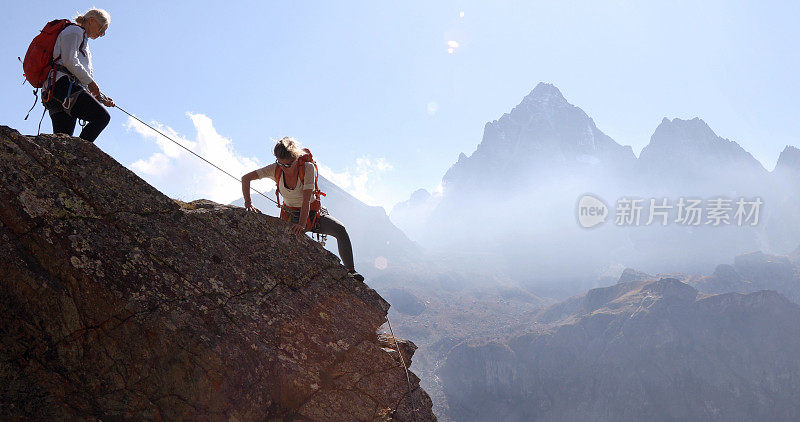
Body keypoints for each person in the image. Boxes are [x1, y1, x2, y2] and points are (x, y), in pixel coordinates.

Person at [241, 137, 365, 282]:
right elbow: (245, 178)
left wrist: (301, 224)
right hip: (290, 214)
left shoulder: (307, 168)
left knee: (340, 229)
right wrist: (248, 203)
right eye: (279, 163)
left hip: (312, 214)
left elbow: (306, 199)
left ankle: (351, 271)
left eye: (287, 165)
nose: (282, 167)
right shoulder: (275, 169)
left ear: (296, 159)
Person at [43, 8, 115, 142]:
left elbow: (79, 74)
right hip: (63, 86)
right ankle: (79, 152)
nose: (102, 34)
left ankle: (68, 158)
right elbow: (70, 60)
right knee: (101, 118)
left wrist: (100, 97)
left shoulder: (81, 38)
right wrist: (91, 83)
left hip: (56, 89)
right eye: (102, 29)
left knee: (63, 139)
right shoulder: (75, 31)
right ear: (91, 21)